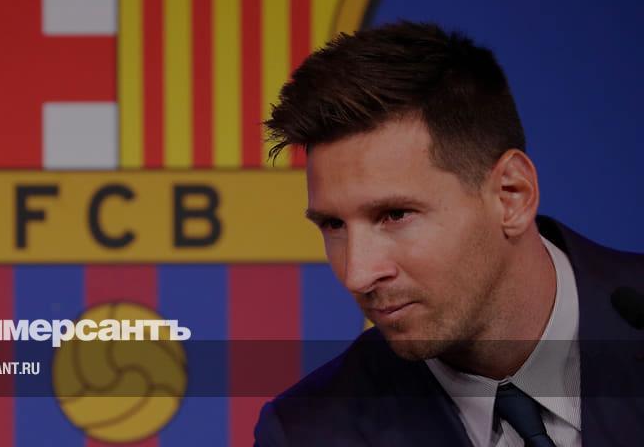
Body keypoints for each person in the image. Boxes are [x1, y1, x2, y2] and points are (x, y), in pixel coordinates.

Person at [254, 22, 644, 446]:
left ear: (511, 195)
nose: (357, 274)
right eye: (333, 225)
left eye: (395, 214)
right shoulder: (308, 433)